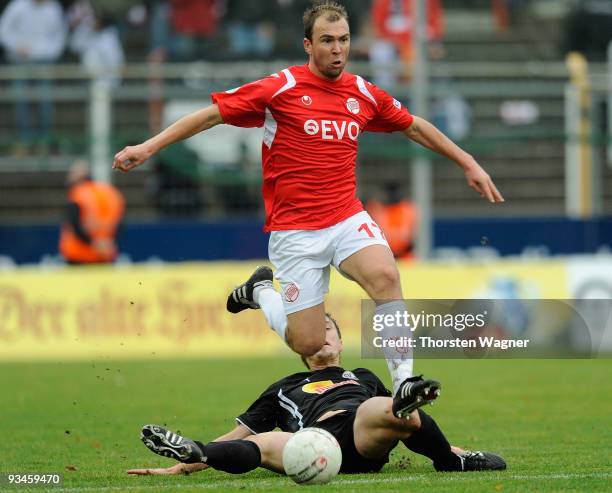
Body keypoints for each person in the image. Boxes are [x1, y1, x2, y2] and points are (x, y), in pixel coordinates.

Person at [112, 1, 504, 397]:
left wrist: (468, 161)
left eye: (344, 40)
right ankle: (262, 292)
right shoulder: (281, 88)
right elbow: (212, 114)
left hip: (345, 217)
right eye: (328, 40)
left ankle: (404, 385)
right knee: (309, 344)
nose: (338, 49)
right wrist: (148, 147)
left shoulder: (362, 93)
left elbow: (414, 126)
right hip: (295, 231)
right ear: (308, 44)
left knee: (386, 276)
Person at [127, 314, 506, 477]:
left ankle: (450, 462)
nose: (321, 334)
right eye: (313, 330)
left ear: (341, 340)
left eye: (328, 328)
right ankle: (192, 449)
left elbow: (409, 422)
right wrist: (182, 467)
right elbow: (239, 435)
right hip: (311, 444)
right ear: (300, 344)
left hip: (360, 432)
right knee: (263, 443)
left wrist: (452, 447)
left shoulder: (362, 376)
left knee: (391, 409)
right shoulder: (284, 386)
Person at [0, 0, 67, 153]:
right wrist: (17, 46)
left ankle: (43, 143)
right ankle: (23, 143)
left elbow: (59, 37)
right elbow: (3, 30)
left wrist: (44, 53)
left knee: (45, 102)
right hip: (19, 61)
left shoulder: (53, 8)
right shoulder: (18, 5)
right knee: (21, 102)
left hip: (44, 63)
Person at [59, 160, 125, 264]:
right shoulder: (111, 193)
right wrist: (107, 243)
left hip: (77, 255)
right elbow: (120, 223)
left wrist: (93, 243)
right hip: (105, 255)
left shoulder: (78, 194)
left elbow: (74, 224)